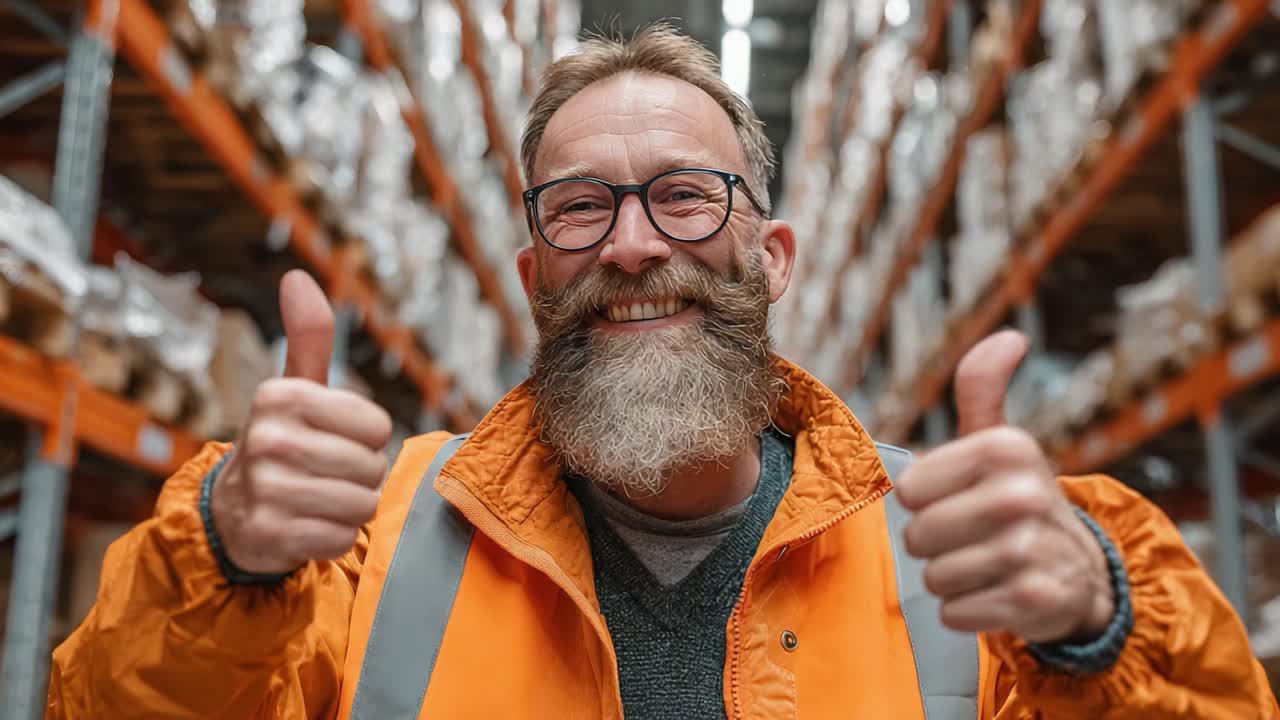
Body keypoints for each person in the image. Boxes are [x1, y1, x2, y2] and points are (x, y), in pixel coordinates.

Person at [48, 24, 1277, 720]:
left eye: (685, 197)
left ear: (773, 254)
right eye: (581, 209)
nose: (633, 246)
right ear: (533, 270)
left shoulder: (963, 557)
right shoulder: (352, 548)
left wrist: (1093, 630)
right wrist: (223, 557)